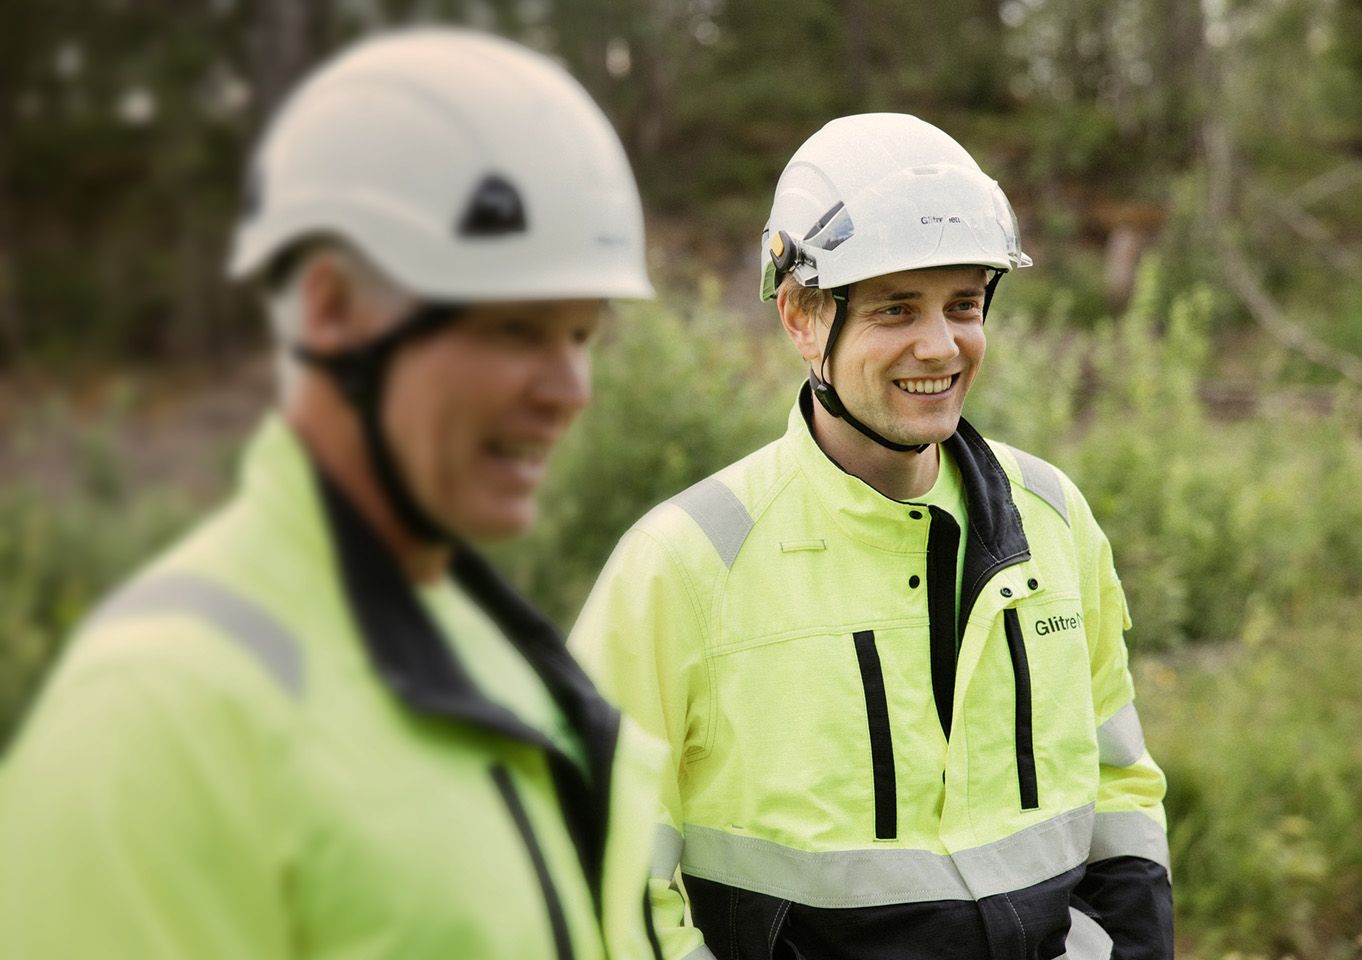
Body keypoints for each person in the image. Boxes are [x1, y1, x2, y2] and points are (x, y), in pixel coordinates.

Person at [0, 28, 667, 960]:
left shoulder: (492, 653)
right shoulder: (156, 719)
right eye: (515, 329)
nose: (570, 392)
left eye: (582, 335)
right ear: (331, 311)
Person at [570, 113, 1172, 960]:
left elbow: (1118, 782)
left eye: (964, 304)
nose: (941, 345)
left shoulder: (1054, 517)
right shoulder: (685, 564)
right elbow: (596, 868)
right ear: (800, 317)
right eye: (896, 309)